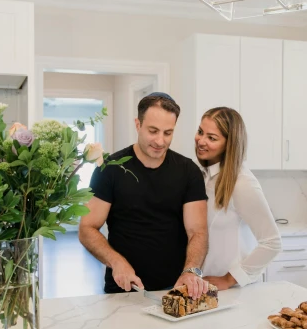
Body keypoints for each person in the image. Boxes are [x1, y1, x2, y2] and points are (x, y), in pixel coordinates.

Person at [79, 93, 210, 299]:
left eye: (168, 133)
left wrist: (191, 271)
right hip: (122, 290)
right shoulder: (110, 169)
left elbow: (198, 232)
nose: (160, 140)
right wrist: (116, 262)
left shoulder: (189, 172)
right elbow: (87, 228)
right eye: (153, 131)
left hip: (175, 290)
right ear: (138, 124)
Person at [194, 107, 281, 289]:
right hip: (204, 286)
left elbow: (272, 243)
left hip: (234, 291)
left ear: (229, 143)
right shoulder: (203, 175)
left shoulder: (242, 183)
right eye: (200, 132)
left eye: (212, 138)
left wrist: (229, 279)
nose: (201, 141)